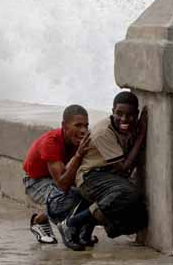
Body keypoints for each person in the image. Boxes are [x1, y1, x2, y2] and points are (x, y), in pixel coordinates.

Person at [56, 91, 148, 249]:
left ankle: (85, 230)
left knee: (139, 219)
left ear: (137, 115)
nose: (124, 119)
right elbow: (124, 169)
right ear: (112, 111)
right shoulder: (103, 132)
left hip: (110, 176)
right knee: (129, 193)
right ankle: (71, 224)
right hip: (90, 177)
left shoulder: (129, 127)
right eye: (119, 114)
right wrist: (141, 137)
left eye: (130, 115)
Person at [22, 104, 90, 249]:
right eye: (78, 125)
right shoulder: (51, 142)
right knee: (67, 197)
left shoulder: (81, 139)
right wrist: (79, 155)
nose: (83, 130)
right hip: (36, 182)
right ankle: (39, 221)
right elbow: (63, 185)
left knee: (90, 191)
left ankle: (81, 230)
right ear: (64, 126)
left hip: (60, 176)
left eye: (86, 125)